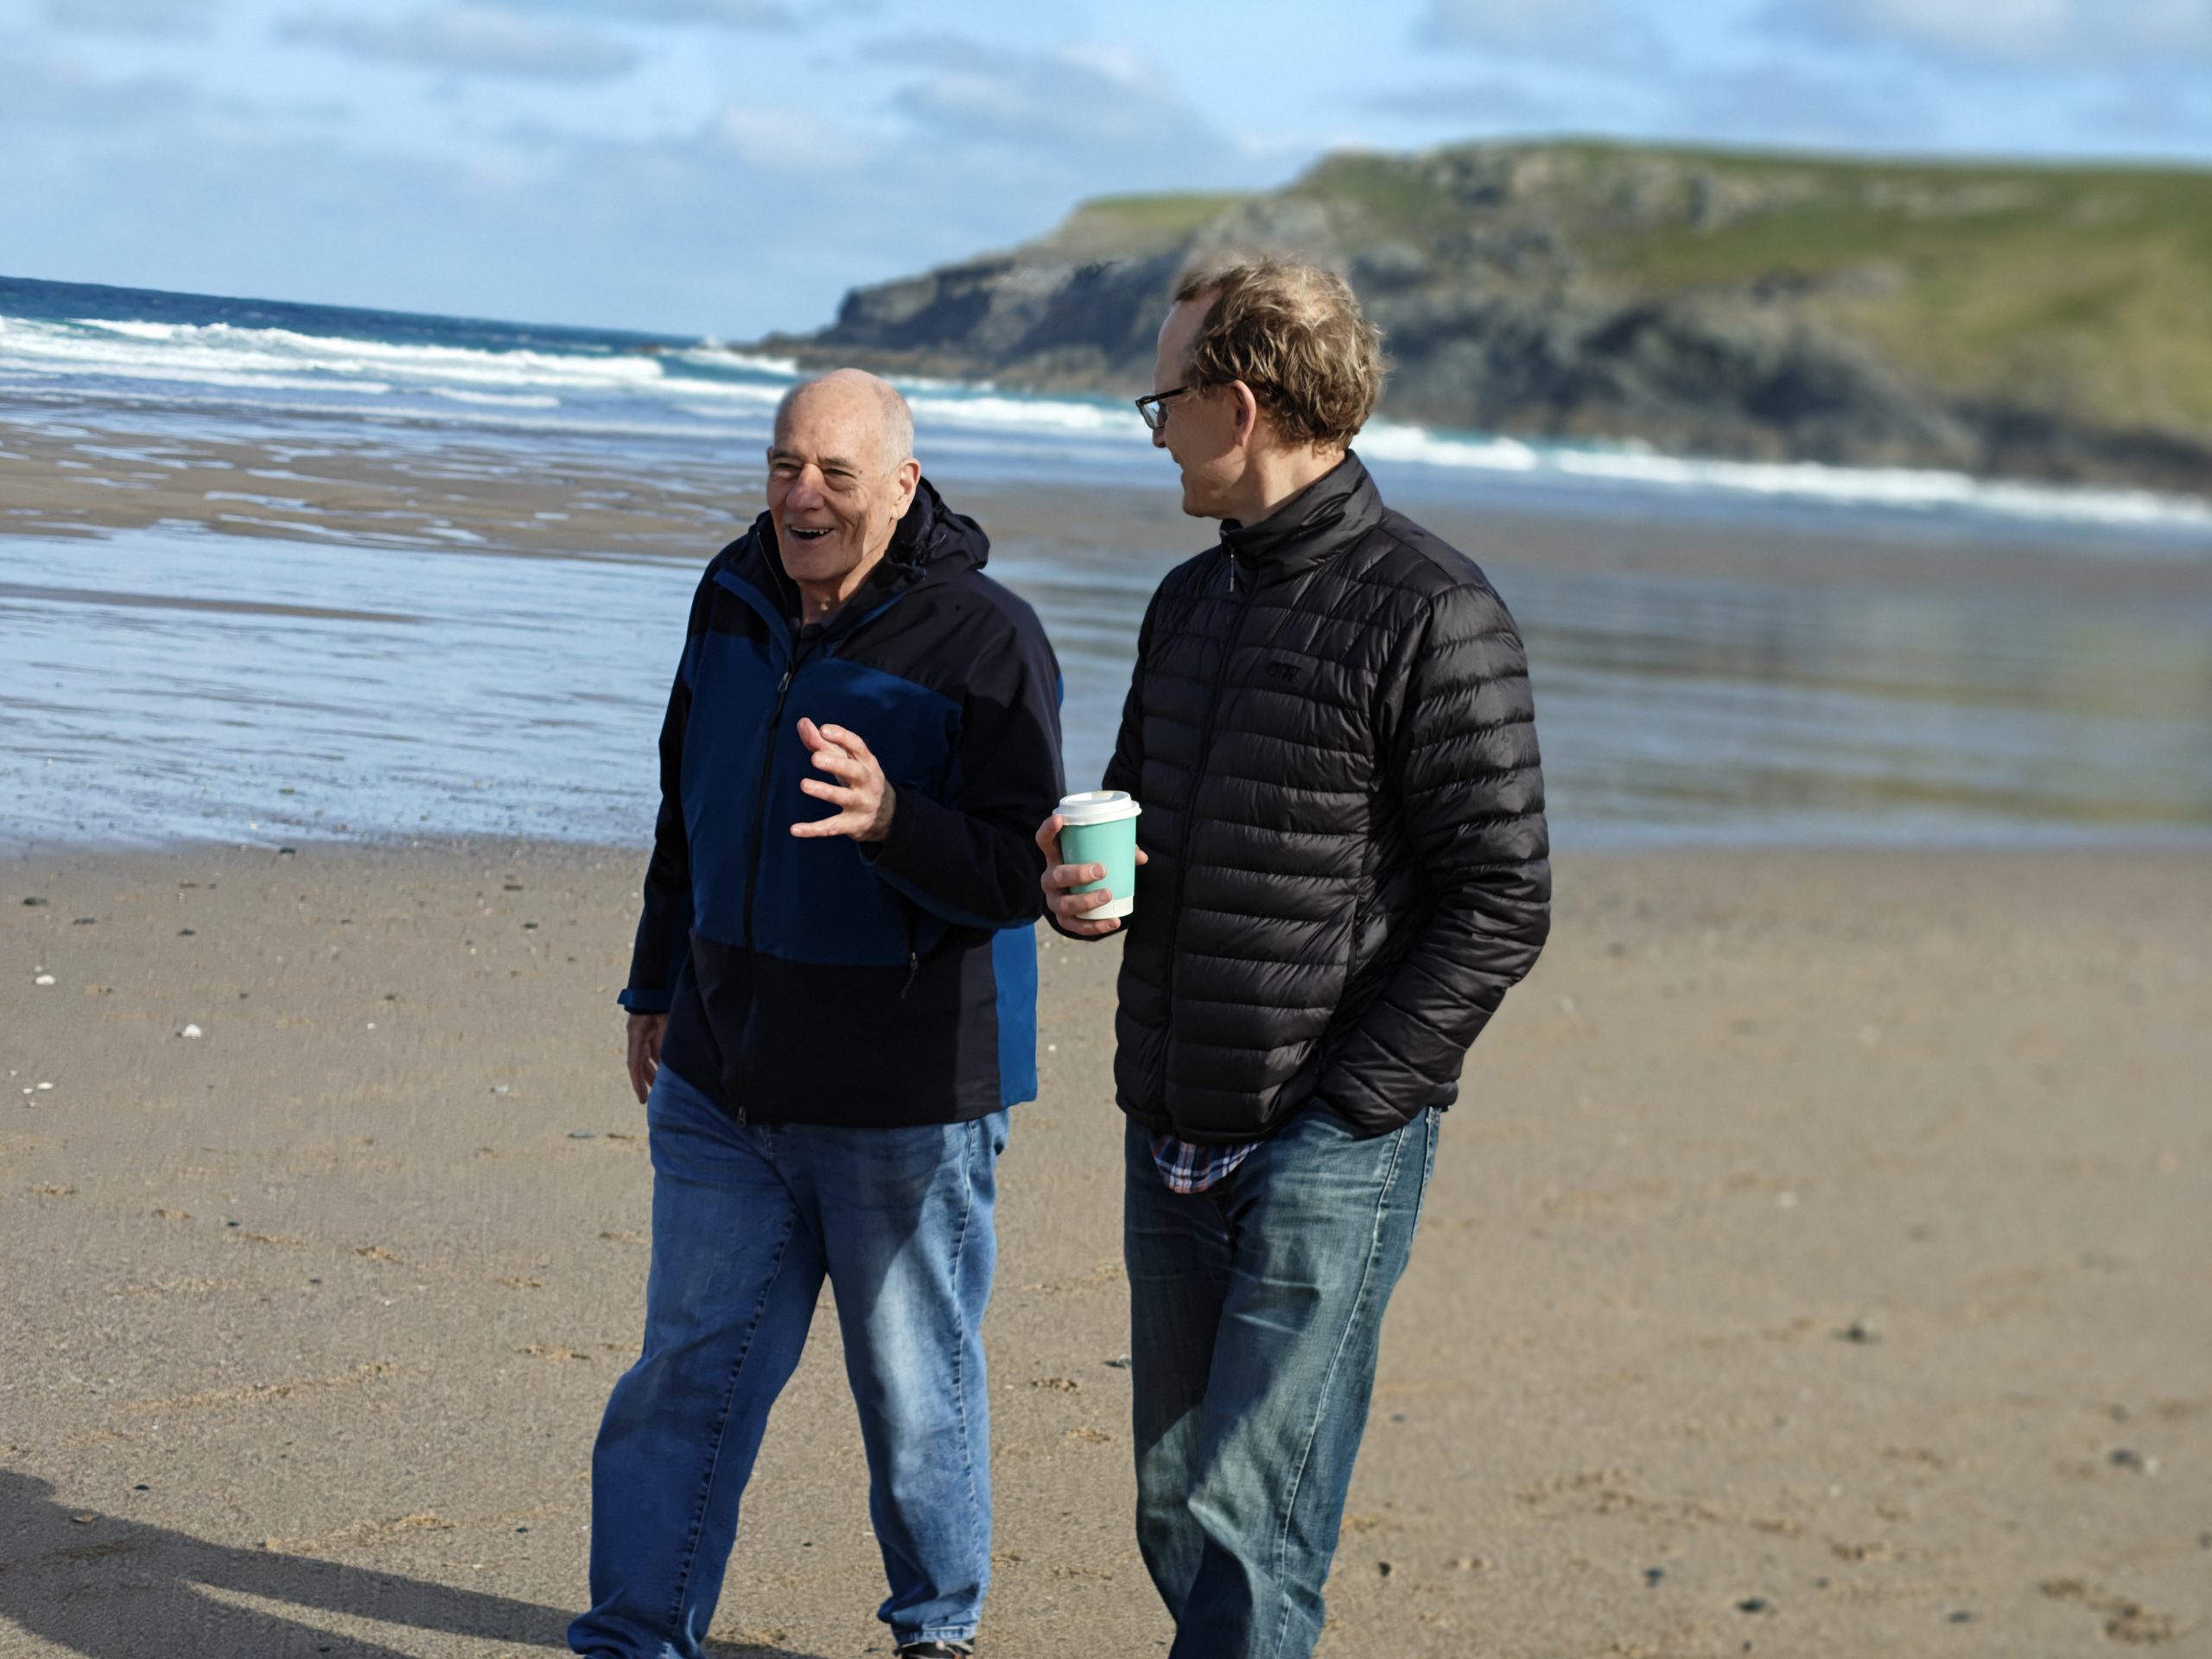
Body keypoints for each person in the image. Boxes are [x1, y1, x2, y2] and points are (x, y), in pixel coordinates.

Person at [1037, 261, 1551, 1657]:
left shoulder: (1435, 611)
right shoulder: (1186, 606)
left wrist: (1355, 1106)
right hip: (1175, 1114)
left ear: (1243, 406)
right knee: (1171, 1504)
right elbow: (1140, 818)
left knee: (1248, 1524)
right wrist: (1088, 897)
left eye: (1166, 400)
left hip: (1330, 1137)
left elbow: (1503, 896)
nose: (1156, 431)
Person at [573, 370, 1064, 1659]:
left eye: (836, 475)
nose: (803, 496)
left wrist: (896, 821)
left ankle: (935, 1634)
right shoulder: (729, 597)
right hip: (722, 1075)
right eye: (785, 465)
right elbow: (687, 809)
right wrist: (654, 982)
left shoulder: (985, 638)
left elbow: (1025, 869)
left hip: (906, 1098)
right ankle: (634, 1638)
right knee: (684, 1375)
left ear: (902, 488)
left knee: (913, 1394)